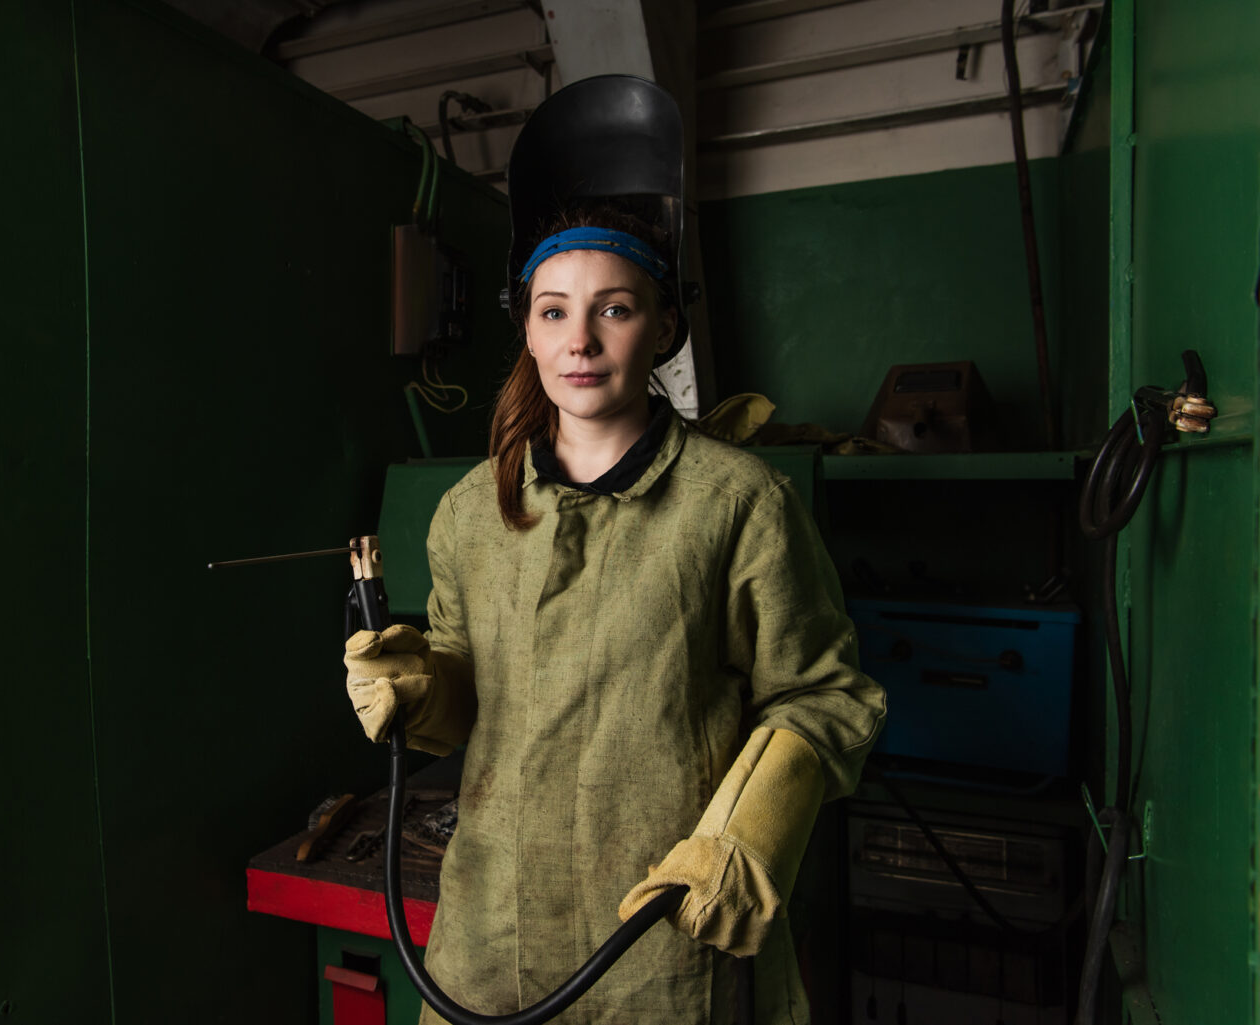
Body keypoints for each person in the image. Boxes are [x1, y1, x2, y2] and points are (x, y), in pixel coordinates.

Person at [343, 76, 885, 1025]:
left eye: (615, 309)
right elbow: (474, 676)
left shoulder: (738, 502)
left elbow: (824, 696)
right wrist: (423, 691)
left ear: (665, 326)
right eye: (553, 310)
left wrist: (749, 832)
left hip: (664, 939)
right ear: (526, 327)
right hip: (490, 935)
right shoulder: (472, 510)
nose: (580, 340)